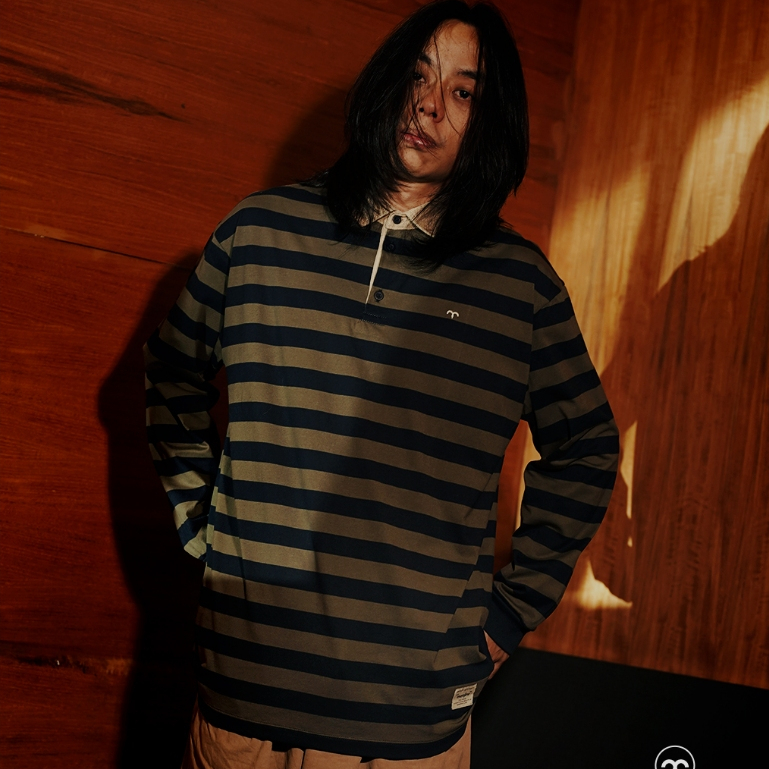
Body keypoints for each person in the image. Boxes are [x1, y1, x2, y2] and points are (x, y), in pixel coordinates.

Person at [144, 1, 619, 766]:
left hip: (405, 727)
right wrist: (206, 525)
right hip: (243, 702)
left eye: (462, 92)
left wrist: (508, 614)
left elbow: (587, 448)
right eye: (417, 76)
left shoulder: (520, 286)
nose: (428, 105)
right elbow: (172, 373)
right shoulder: (258, 233)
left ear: (490, 121)